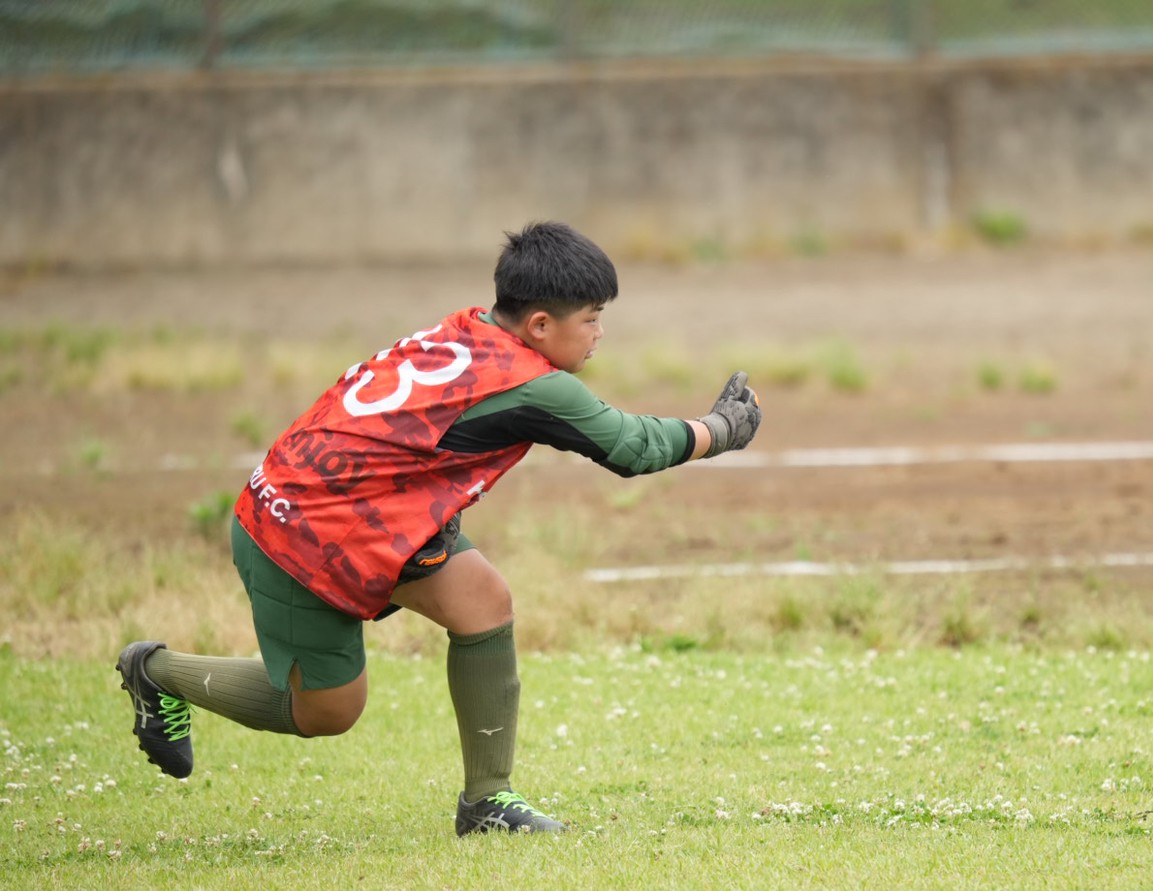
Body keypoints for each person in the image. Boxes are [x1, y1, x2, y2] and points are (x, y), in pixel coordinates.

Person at [113, 221, 762, 836]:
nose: (599, 334)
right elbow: (629, 446)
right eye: (590, 319)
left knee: (483, 602)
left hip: (359, 507)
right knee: (329, 712)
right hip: (302, 530)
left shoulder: (469, 329)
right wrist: (722, 431)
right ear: (539, 324)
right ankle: (159, 672)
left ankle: (487, 802)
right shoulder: (535, 384)